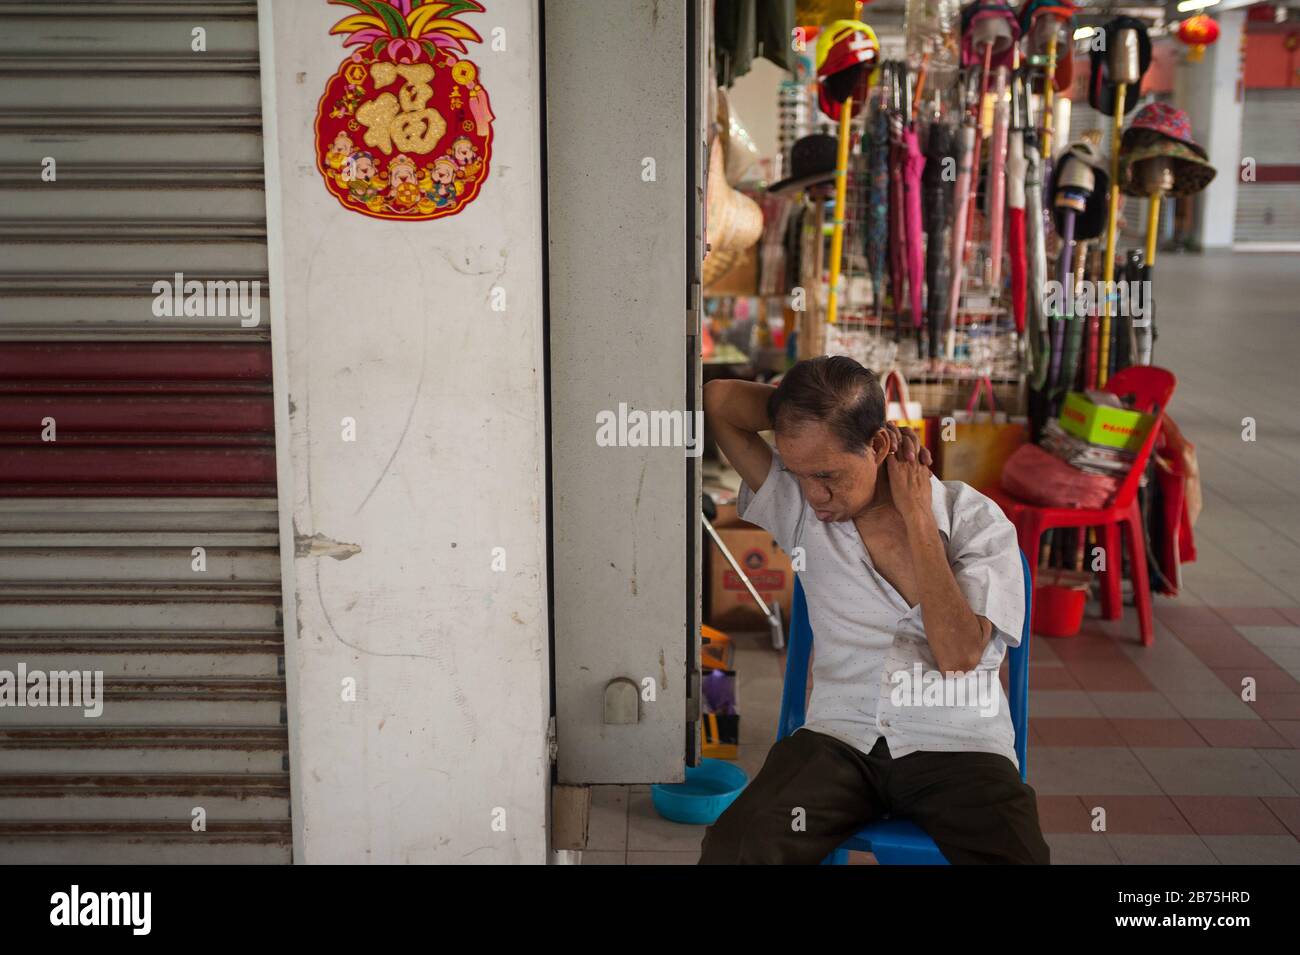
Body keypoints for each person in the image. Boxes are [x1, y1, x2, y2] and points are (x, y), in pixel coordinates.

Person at [698, 356, 1049, 865]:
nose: (815, 495)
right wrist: (804, 412)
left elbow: (958, 654)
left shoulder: (974, 520)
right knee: (737, 847)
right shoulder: (802, 511)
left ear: (880, 446)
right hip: (841, 739)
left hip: (960, 745)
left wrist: (917, 520)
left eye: (828, 475)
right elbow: (720, 401)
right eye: (799, 474)